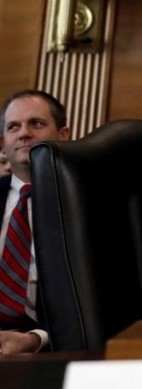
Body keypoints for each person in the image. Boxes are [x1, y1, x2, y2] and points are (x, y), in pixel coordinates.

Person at [0, 90, 71, 354]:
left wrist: (36, 339)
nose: (24, 133)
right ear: (3, 142)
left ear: (63, 135)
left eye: (36, 124)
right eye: (13, 127)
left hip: (56, 351)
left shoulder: (89, 204)